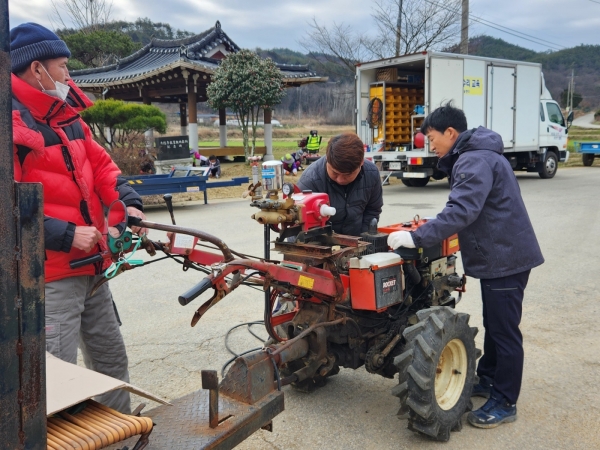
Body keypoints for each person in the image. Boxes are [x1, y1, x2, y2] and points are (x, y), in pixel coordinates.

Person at [10, 23, 149, 414]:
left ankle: (121, 433)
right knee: (57, 374)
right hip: (49, 276)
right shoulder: (13, 127)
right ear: (37, 70)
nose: (68, 76)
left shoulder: (68, 116)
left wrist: (129, 205)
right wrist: (67, 234)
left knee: (110, 359)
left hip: (92, 267)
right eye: (63, 66)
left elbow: (104, 168)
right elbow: (8, 209)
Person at [387, 103, 544, 428]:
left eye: (431, 138)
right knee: (496, 323)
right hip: (501, 255)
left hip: (505, 258)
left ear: (450, 133)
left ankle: (504, 401)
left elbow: (462, 211)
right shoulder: (479, 155)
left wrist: (416, 237)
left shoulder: (473, 159)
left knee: (504, 332)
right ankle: (486, 379)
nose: (430, 145)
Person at [297, 133, 383, 236]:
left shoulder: (371, 174)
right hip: (320, 244)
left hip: (357, 242)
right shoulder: (310, 181)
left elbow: (372, 210)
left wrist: (363, 241)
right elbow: (300, 226)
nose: (341, 180)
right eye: (335, 173)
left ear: (361, 163)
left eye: (348, 175)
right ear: (327, 160)